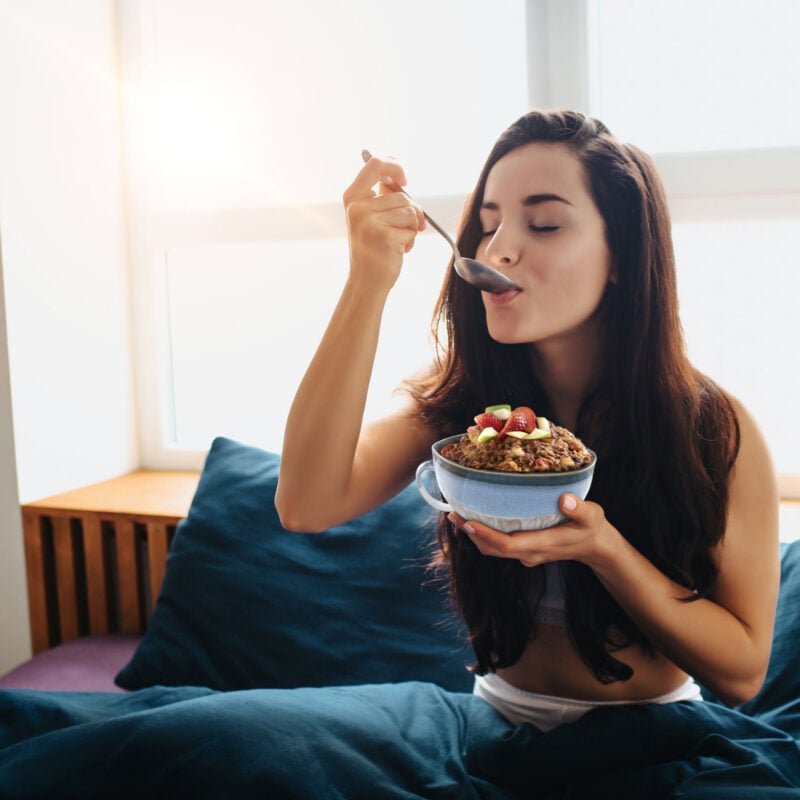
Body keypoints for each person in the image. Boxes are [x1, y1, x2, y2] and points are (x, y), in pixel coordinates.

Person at [275, 109, 780, 732]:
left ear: (621, 254)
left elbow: (743, 674)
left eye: (542, 224)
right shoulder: (466, 402)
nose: (499, 247)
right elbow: (305, 503)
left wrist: (606, 552)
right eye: (487, 224)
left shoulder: (713, 428)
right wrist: (367, 283)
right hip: (490, 730)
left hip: (658, 737)